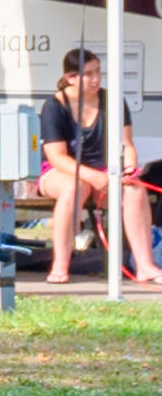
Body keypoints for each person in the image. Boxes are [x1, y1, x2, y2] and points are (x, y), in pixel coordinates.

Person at [42, 48, 150, 284]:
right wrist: (94, 177)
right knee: (75, 187)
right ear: (70, 78)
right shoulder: (54, 106)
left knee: (135, 190)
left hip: (104, 172)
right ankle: (60, 264)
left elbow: (127, 145)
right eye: (88, 74)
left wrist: (130, 168)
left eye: (98, 72)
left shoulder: (113, 101)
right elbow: (56, 157)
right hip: (61, 171)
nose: (95, 79)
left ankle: (145, 266)